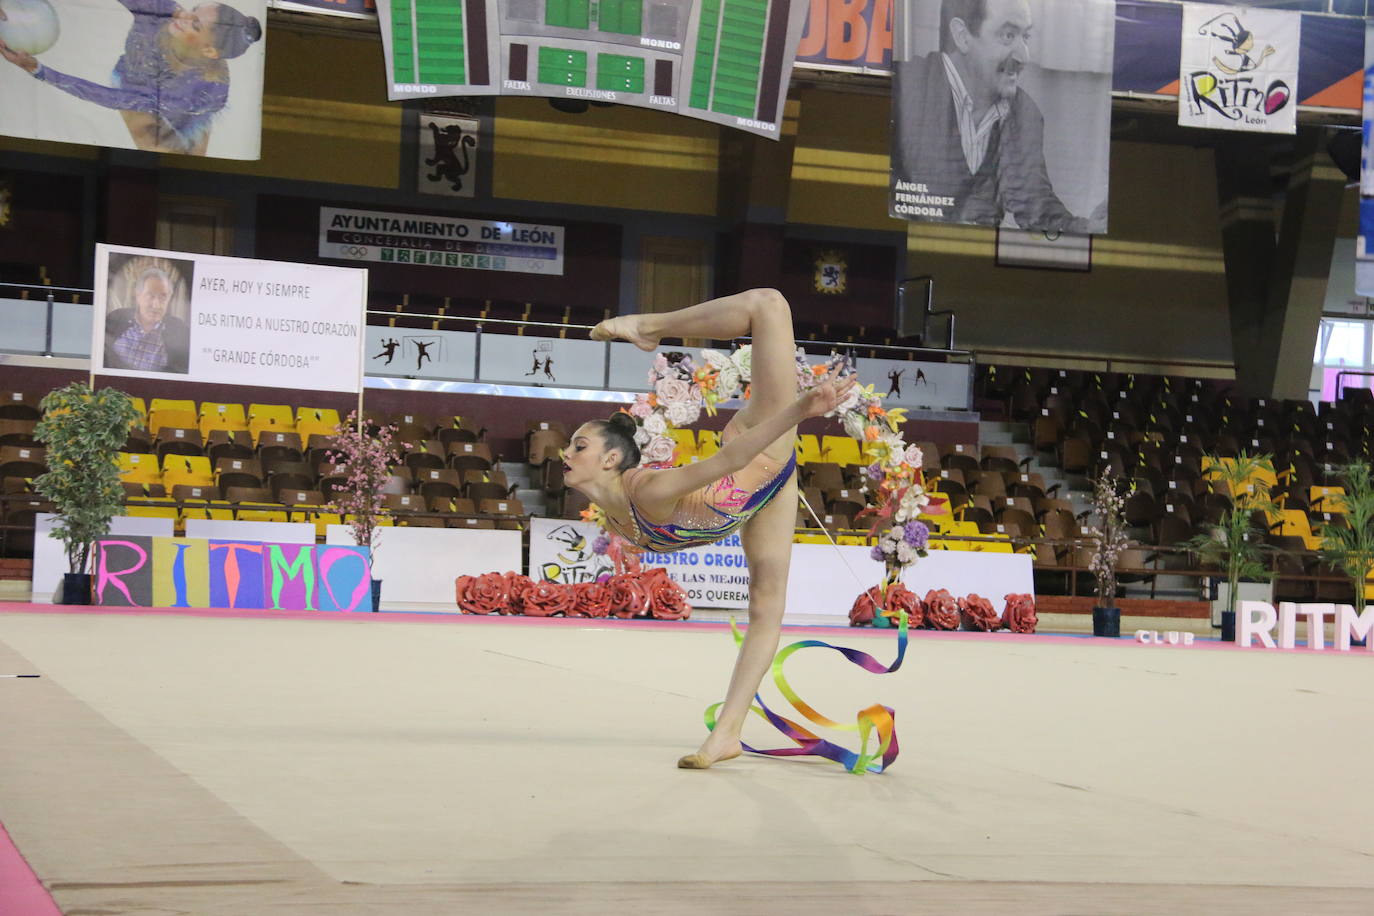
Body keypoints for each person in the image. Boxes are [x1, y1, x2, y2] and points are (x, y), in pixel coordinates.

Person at [573, 289, 856, 770]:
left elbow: (732, 459)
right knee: (767, 605)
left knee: (770, 303)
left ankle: (650, 325)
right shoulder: (615, 511)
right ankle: (728, 734)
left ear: (611, 459)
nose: (566, 453)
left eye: (578, 446)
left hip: (759, 447)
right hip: (760, 492)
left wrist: (800, 412)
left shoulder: (647, 490)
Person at [891, 0, 1105, 232]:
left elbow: (1034, 203)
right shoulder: (908, 86)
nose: (1024, 56)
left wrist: (1085, 227)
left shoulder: (1024, 113)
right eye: (1008, 36)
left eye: (1026, 38)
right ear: (962, 36)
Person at [0, 0, 262, 155]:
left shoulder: (197, 93)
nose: (181, 16)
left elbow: (110, 98)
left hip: (185, 113)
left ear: (209, 50)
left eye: (194, 24)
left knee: (169, 150)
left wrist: (39, 70)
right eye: (192, 10)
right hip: (135, 77)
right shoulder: (162, 11)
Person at [104, 265, 191, 373]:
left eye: (163, 297)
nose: (156, 305)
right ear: (138, 295)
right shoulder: (115, 320)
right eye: (150, 296)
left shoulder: (180, 332)